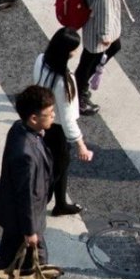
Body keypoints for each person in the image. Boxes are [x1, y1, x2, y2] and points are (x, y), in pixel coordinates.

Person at [0, 85, 55, 279]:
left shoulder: (20, 129)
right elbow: (25, 196)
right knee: (18, 258)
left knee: (16, 256)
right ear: (33, 118)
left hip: (18, 215)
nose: (53, 116)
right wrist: (30, 230)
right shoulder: (25, 155)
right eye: (49, 114)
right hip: (22, 219)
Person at [33, 27, 94, 215]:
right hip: (57, 131)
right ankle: (37, 207)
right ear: (67, 52)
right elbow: (67, 120)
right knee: (54, 172)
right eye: (74, 48)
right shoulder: (63, 82)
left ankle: (60, 203)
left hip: (42, 125)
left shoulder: (41, 60)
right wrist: (81, 146)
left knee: (59, 167)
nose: (77, 51)